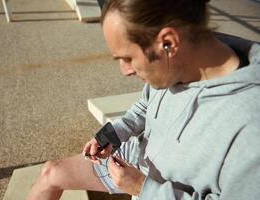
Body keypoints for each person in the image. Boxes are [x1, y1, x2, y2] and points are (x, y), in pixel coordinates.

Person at [27, 0, 260, 199]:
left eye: (127, 58)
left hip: (153, 186)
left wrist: (142, 188)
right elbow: (145, 105)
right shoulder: (182, 58)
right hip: (137, 160)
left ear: (168, 42)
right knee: (51, 173)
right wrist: (113, 135)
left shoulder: (250, 129)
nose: (125, 71)